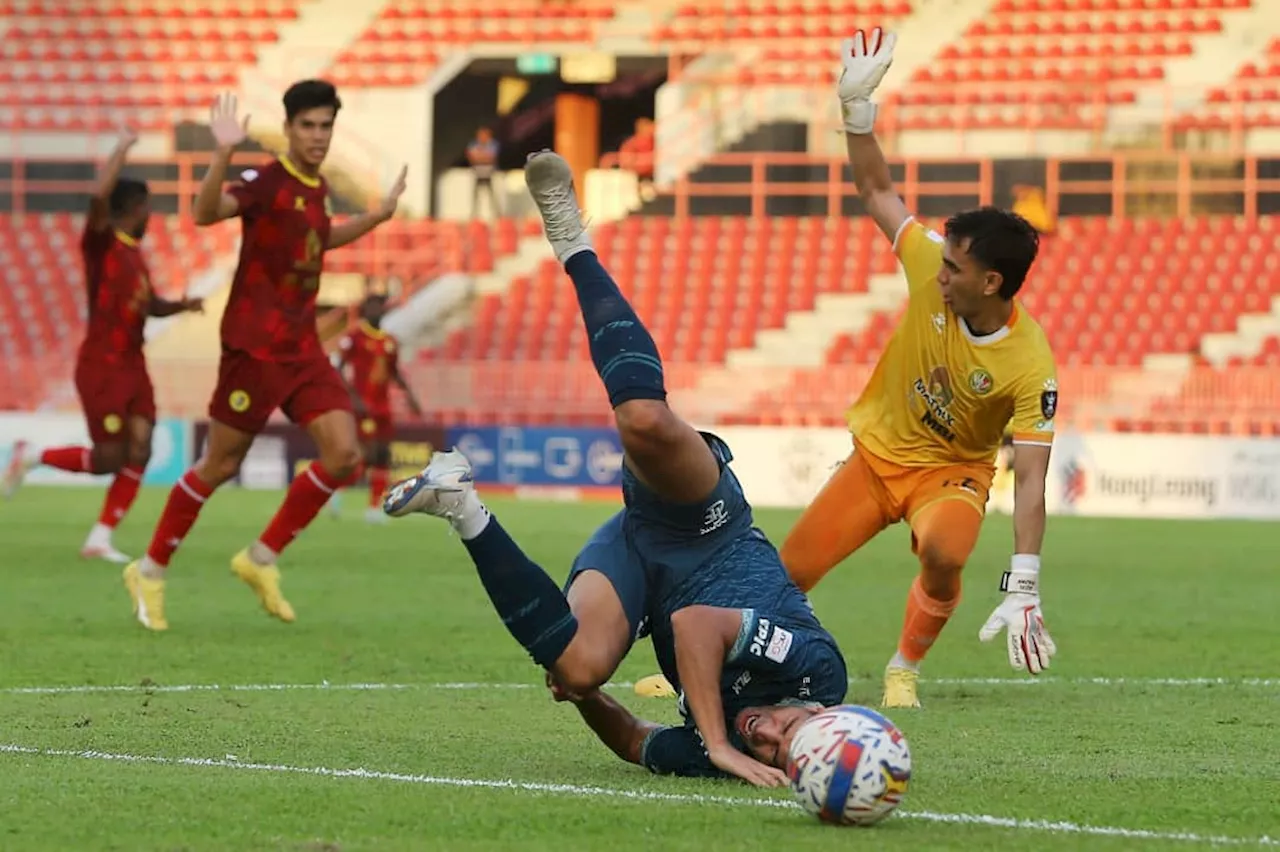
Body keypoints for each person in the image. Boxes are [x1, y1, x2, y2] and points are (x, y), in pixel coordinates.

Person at [383, 151, 848, 785]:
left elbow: (636, 741)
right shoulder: (818, 671)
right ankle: (573, 240)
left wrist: (584, 696)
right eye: (787, 729)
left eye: (770, 753)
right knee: (645, 422)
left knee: (577, 665)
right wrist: (716, 742)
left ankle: (458, 500)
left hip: (640, 566)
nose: (763, 735)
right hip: (707, 529)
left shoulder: (737, 757)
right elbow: (697, 625)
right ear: (816, 710)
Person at [779, 29, 1059, 708]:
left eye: (956, 268)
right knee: (783, 577)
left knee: (945, 552)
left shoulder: (1032, 365)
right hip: (875, 459)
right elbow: (877, 191)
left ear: (992, 282)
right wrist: (856, 113)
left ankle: (904, 666)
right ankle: (695, 662)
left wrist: (1024, 579)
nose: (940, 272)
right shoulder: (932, 260)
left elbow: (1028, 480)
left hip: (953, 474)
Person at [121, 83, 407, 631]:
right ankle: (150, 570)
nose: (318, 137)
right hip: (253, 347)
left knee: (345, 454)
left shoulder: (316, 187)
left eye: (325, 126)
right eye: (308, 126)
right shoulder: (266, 181)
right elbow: (205, 212)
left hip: (301, 349)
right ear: (290, 126)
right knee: (220, 465)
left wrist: (378, 216)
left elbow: (317, 240)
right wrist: (224, 150)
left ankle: (260, 558)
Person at [3, 126, 203, 562]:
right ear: (135, 209)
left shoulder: (136, 255)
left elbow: (148, 306)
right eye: (149, 208)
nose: (153, 217)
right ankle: (33, 455)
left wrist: (182, 306)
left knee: (142, 447)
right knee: (111, 458)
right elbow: (97, 201)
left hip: (133, 365)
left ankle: (99, 538)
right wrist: (121, 150)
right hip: (102, 365)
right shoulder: (102, 245)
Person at [332, 291, 422, 523]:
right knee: (365, 455)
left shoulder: (389, 341)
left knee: (383, 455)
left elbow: (394, 373)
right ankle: (337, 493)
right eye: (374, 306)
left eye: (381, 306)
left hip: (383, 407)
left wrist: (410, 396)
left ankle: (373, 509)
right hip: (362, 407)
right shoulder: (355, 337)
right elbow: (338, 369)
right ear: (365, 310)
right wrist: (352, 398)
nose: (378, 310)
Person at [466, 127, 501, 219]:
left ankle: (497, 215)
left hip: (490, 173)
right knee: (476, 196)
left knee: (493, 196)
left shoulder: (494, 145)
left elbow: (490, 158)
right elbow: (472, 157)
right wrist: (482, 156)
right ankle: (474, 216)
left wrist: (480, 156)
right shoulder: (473, 144)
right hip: (477, 173)